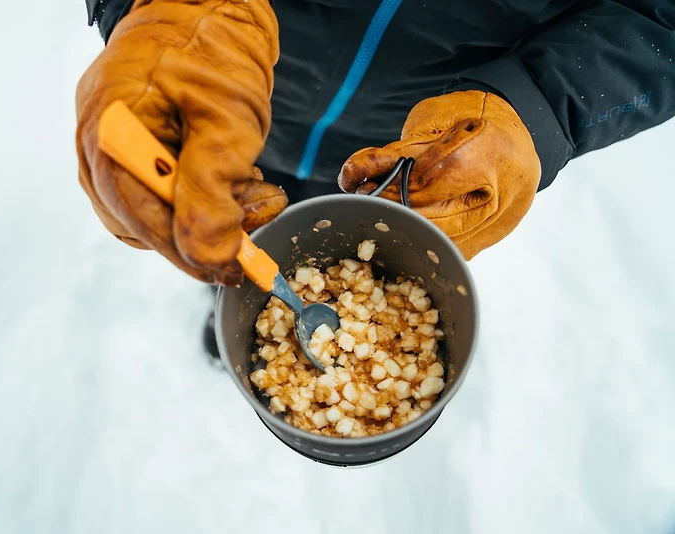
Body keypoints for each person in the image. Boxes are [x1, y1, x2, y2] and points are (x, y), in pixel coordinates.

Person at [76, 0, 675, 361]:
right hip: (238, 89)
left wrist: (541, 101)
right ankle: (237, 299)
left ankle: (312, 301)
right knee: (246, 218)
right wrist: (166, 13)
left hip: (420, 137)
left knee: (344, 224)